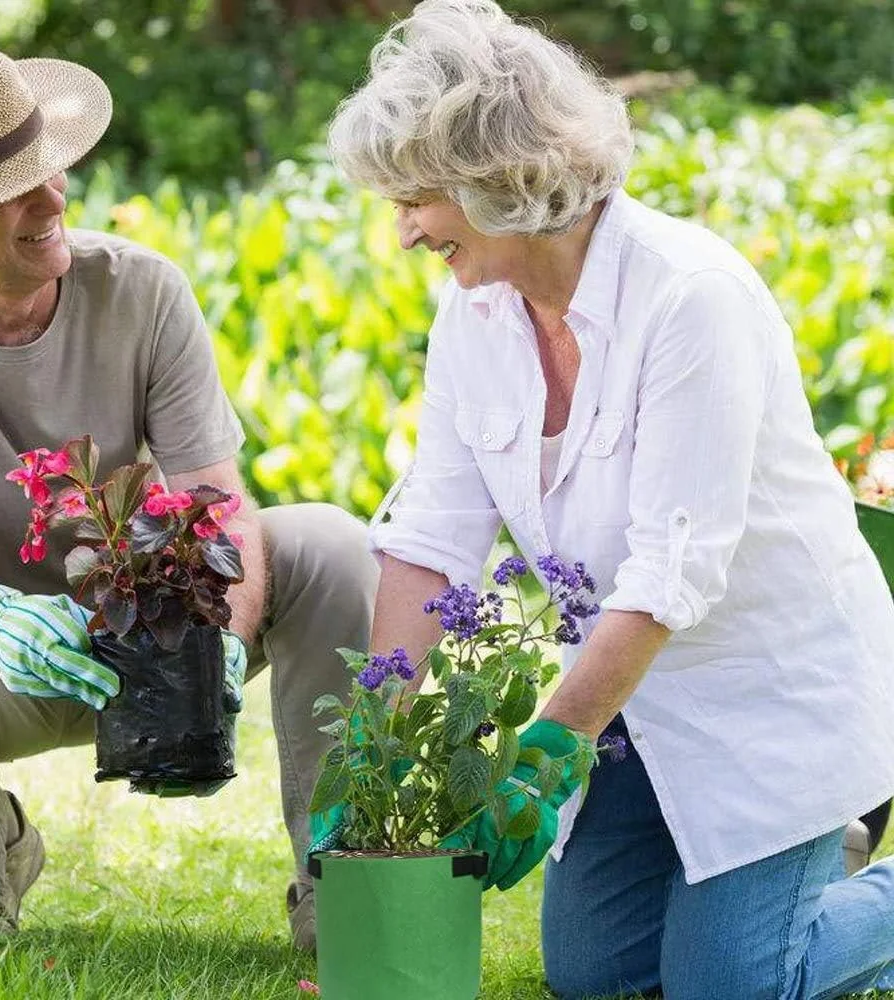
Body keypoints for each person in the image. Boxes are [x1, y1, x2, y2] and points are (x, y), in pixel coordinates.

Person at [319, 1, 894, 996]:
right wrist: (375, 732)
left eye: (417, 198)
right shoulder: (475, 315)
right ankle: (775, 874)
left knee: (733, 986)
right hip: (634, 706)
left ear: (497, 174)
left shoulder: (689, 295)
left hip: (770, 699)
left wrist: (546, 753)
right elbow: (431, 534)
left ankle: (811, 864)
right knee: (595, 976)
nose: (405, 231)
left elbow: (671, 572)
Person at [0, 38, 377, 951]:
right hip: (1, 664)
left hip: (157, 624)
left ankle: (343, 892)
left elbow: (216, 504)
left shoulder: (141, 290)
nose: (52, 199)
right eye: (11, 189)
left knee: (331, 545)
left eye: (47, 167)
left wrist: (220, 644)